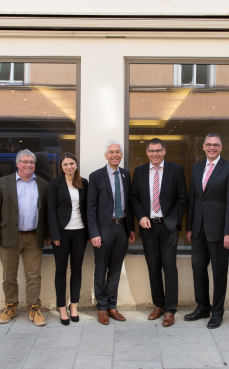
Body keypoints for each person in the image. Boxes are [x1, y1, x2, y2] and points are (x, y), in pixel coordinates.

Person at [0, 149, 51, 326]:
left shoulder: (43, 184)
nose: (29, 165)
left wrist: (47, 234)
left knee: (33, 275)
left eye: (32, 162)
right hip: (9, 236)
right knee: (9, 275)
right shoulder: (3, 183)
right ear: (18, 163)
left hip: (33, 237)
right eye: (25, 162)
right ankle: (10, 306)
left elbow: (46, 212)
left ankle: (34, 307)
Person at [185, 133, 229, 329]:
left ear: (221, 147)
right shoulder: (197, 167)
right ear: (203, 147)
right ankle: (202, 307)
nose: (211, 148)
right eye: (208, 144)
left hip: (219, 231)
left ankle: (217, 312)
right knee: (197, 267)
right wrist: (190, 227)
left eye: (215, 145)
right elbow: (193, 199)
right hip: (199, 229)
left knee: (219, 272)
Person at [130, 138, 187, 327]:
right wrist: (141, 216)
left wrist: (173, 221)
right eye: (151, 150)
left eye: (158, 150)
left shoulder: (176, 170)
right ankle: (159, 305)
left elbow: (182, 199)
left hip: (168, 227)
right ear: (146, 152)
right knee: (153, 267)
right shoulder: (139, 171)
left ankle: (171, 309)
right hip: (148, 226)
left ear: (164, 151)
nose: (155, 154)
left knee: (169, 267)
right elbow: (134, 198)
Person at [87, 139, 135, 325]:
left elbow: (128, 204)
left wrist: (130, 228)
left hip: (121, 228)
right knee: (101, 270)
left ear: (121, 155)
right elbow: (90, 208)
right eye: (111, 152)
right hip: (103, 230)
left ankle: (112, 306)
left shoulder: (125, 175)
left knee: (115, 270)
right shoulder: (96, 176)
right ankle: (102, 307)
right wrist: (94, 233)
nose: (115, 155)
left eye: (118, 152)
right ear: (106, 155)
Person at [47, 152, 88, 326]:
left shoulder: (83, 183)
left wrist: (89, 233)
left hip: (80, 232)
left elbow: (88, 208)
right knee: (61, 271)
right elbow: (51, 210)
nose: (69, 167)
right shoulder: (55, 183)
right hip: (62, 234)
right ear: (61, 167)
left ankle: (74, 306)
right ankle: (61, 307)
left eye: (71, 163)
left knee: (77, 270)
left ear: (76, 165)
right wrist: (54, 234)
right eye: (65, 164)